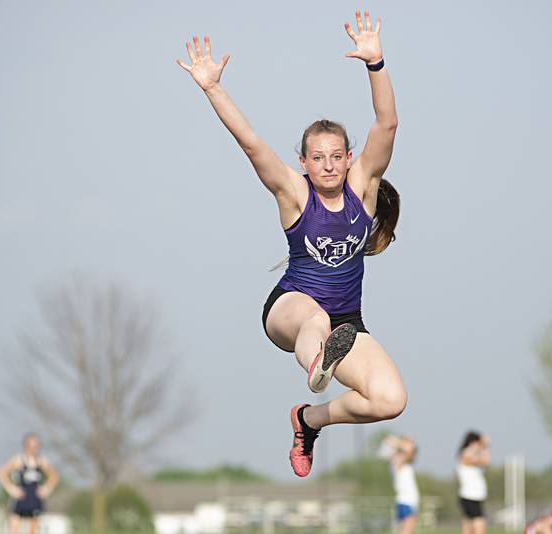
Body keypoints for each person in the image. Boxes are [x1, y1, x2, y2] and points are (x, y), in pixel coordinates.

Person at [177, 10, 405, 478]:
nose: (327, 166)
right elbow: (251, 143)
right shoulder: (293, 192)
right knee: (315, 319)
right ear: (303, 160)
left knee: (390, 400)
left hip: (347, 319)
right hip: (291, 308)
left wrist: (376, 64)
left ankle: (308, 419)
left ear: (348, 159)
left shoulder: (362, 187)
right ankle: (319, 361)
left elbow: (387, 126)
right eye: (317, 157)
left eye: (336, 157)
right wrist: (213, 88)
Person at [0, 434, 59, 534]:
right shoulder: (18, 460)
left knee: (33, 531)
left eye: (36, 446)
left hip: (35, 499)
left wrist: (47, 488)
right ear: (26, 446)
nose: (34, 448)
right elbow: (1, 473)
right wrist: (11, 488)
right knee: (14, 530)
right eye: (31, 446)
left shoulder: (41, 461)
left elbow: (54, 475)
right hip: (20, 499)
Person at [379, 435, 420, 534]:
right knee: (407, 530)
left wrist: (402, 442)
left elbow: (411, 451)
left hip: (408, 501)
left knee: (408, 530)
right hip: (406, 501)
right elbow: (410, 449)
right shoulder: (399, 459)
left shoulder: (402, 460)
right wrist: (401, 441)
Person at [457, 432, 490, 534]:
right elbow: (485, 462)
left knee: (468, 525)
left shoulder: (471, 454)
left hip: (475, 496)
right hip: (470, 496)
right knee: (479, 523)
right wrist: (484, 447)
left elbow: (485, 462)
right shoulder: (465, 453)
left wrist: (484, 448)